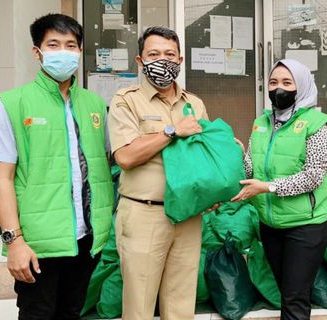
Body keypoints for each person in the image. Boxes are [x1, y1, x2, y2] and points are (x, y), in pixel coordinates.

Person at [0, 13, 113, 319]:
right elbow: (0, 179)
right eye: (54, 44)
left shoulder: (96, 105)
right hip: (38, 244)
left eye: (71, 45)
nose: (63, 51)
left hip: (87, 240)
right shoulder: (10, 104)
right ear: (37, 51)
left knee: (72, 313)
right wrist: (14, 241)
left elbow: (110, 163)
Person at [108, 26, 217, 320]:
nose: (163, 60)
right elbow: (126, 157)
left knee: (181, 305)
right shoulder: (125, 100)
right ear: (140, 61)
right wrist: (172, 131)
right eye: (154, 54)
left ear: (180, 60)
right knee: (140, 306)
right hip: (144, 214)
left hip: (188, 216)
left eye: (170, 54)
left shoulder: (194, 104)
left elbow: (203, 158)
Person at [231, 59, 327, 319]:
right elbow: (250, 170)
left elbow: (313, 176)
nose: (279, 88)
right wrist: (235, 154)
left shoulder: (317, 124)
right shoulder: (262, 123)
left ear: (301, 86)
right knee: (287, 293)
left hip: (306, 225)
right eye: (273, 82)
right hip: (271, 224)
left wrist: (268, 188)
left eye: (287, 83)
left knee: (294, 299)